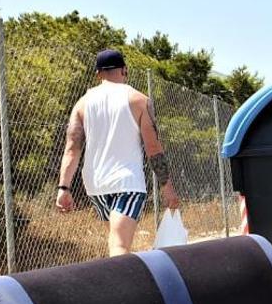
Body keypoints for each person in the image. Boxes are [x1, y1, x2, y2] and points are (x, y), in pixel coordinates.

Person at [56, 49, 180, 256]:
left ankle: (120, 283)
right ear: (125, 70)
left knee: (115, 241)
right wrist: (167, 187)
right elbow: (153, 149)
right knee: (120, 246)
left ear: (98, 74)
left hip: (95, 185)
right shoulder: (139, 100)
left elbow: (72, 149)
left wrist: (64, 187)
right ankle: (120, 288)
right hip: (127, 182)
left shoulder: (82, 103)